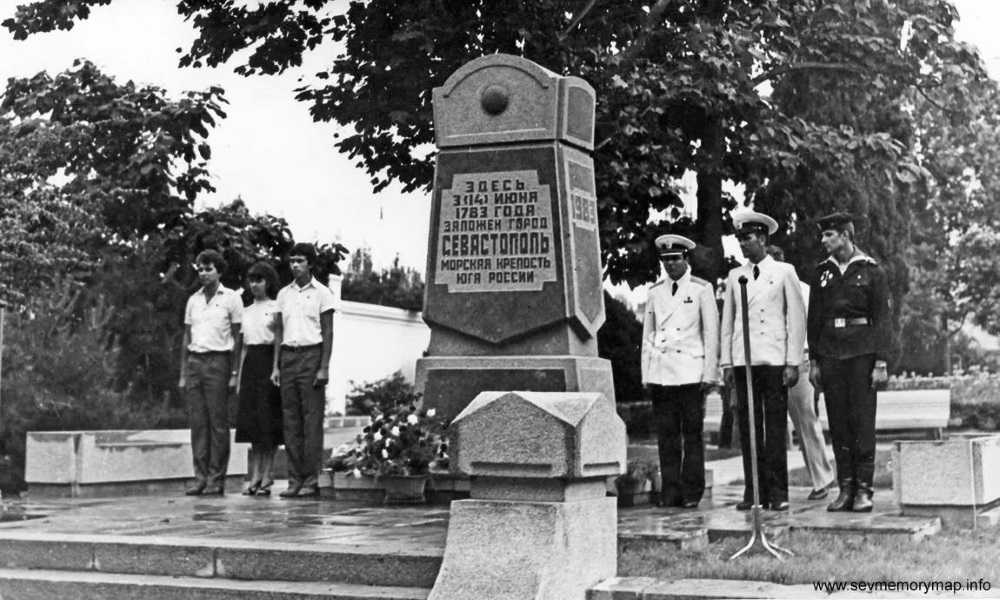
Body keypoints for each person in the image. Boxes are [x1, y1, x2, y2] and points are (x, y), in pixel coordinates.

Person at [720, 211, 806, 512]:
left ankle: (778, 491)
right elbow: (727, 323)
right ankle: (753, 490)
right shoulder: (735, 276)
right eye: (740, 239)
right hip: (745, 360)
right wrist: (727, 364)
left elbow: (795, 319)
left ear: (764, 240)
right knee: (748, 427)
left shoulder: (784, 272)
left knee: (774, 426)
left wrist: (793, 361)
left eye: (749, 238)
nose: (743, 244)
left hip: (774, 359)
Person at [807, 212, 890, 513]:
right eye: (823, 235)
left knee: (862, 422)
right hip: (831, 353)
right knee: (839, 423)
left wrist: (881, 361)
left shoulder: (871, 270)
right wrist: (814, 360)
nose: (823, 240)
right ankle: (846, 489)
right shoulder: (821, 273)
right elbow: (814, 319)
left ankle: (864, 490)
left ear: (845, 235)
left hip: (862, 353)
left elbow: (882, 319)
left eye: (829, 235)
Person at [641, 234, 719, 509]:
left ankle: (692, 491)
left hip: (690, 372)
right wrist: (646, 372)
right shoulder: (655, 291)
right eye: (665, 260)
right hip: (662, 373)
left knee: (692, 436)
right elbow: (648, 335)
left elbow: (711, 333)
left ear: (686, 259)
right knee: (666, 437)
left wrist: (710, 373)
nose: (670, 265)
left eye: (675, 259)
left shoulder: (701, 289)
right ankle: (670, 491)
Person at [765, 245, 835, 500]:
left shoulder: (804, 290)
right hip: (770, 362)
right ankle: (768, 487)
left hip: (800, 360)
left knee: (806, 421)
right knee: (769, 426)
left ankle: (822, 480)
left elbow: (814, 328)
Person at [273, 243, 336, 498]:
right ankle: (293, 479)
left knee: (311, 421)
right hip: (289, 357)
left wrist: (323, 367)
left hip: (312, 356)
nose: (295, 265)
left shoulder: (322, 293)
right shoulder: (283, 294)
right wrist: (276, 366)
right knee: (290, 421)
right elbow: (278, 331)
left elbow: (328, 331)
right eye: (292, 261)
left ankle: (311, 480)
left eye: (300, 260)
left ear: (310, 263)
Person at [179, 249, 243, 496]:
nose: (204, 273)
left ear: (219, 270)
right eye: (201, 269)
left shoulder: (231, 299)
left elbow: (238, 338)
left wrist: (235, 372)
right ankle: (200, 477)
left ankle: (217, 478)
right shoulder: (193, 300)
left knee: (217, 423)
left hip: (219, 362)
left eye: (209, 269)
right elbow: (187, 336)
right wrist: (184, 372)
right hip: (196, 361)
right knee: (198, 423)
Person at [235, 261, 284, 496]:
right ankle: (254, 475)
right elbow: (243, 347)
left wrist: (276, 368)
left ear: (268, 282)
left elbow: (277, 340)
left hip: (268, 361)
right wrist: (239, 374)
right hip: (251, 363)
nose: (254, 285)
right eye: (251, 280)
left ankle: (267, 474)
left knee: (268, 421)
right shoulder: (246, 311)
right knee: (253, 423)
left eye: (259, 280)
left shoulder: (276, 307)